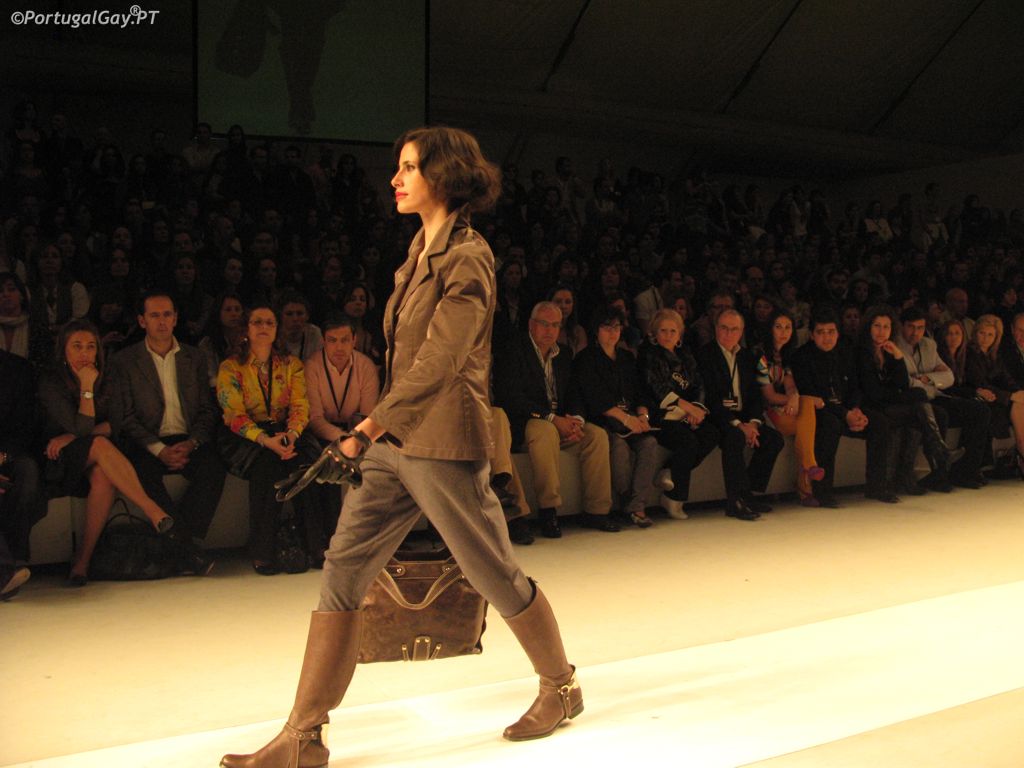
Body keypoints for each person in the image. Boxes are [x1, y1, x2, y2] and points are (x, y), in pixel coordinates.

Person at [221, 127, 583, 768]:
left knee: (491, 570)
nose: (395, 178)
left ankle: (560, 686)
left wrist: (366, 428)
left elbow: (443, 360)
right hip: (395, 440)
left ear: (443, 177)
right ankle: (304, 734)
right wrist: (377, 431)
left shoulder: (468, 256)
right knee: (343, 567)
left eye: (409, 167)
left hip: (441, 441)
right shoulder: (419, 251)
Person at [38, 319, 174, 586]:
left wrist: (73, 435)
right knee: (99, 445)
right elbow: (82, 426)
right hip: (55, 458)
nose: (84, 353)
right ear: (63, 349)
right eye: (77, 346)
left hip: (93, 453)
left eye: (90, 346)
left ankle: (82, 563)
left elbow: (116, 423)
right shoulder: (50, 381)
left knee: (102, 475)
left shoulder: (108, 375)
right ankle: (152, 510)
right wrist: (86, 388)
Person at [109, 292, 225, 575]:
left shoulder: (194, 357)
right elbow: (125, 417)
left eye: (167, 315)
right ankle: (188, 550)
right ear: (142, 321)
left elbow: (207, 410)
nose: (161, 321)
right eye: (154, 315)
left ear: (175, 319)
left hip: (188, 438)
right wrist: (159, 449)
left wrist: (192, 442)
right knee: (141, 472)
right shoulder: (125, 360)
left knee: (215, 467)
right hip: (147, 441)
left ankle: (178, 545)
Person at [494, 301, 617, 537]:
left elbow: (574, 392)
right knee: (544, 430)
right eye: (544, 324)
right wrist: (552, 418)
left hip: (559, 421)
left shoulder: (564, 354)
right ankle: (548, 509)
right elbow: (510, 397)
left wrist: (576, 420)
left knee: (596, 436)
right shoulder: (514, 350)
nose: (550, 330)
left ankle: (597, 510)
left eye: (555, 325)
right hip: (526, 423)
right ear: (531, 324)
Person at [216, 302, 315, 574]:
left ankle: (315, 545)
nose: (263, 327)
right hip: (247, 435)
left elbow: (300, 405)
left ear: (276, 329)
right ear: (246, 329)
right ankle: (263, 552)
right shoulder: (231, 367)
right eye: (257, 322)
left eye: (269, 322)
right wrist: (265, 440)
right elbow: (233, 414)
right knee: (267, 467)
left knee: (308, 464)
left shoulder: (291, 364)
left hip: (285, 431)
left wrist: (291, 435)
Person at [857, 306, 962, 497]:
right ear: (868, 327)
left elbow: (902, 383)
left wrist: (897, 357)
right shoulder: (861, 352)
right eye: (877, 326)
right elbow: (873, 392)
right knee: (918, 403)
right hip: (870, 404)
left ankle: (908, 476)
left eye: (886, 327)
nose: (881, 332)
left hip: (888, 401)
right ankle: (937, 453)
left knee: (925, 408)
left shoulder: (888, 350)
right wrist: (902, 393)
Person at [573, 304, 660, 527]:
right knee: (618, 447)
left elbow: (640, 392)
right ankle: (628, 503)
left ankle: (637, 505)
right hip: (605, 421)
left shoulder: (626, 358)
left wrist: (643, 416)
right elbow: (595, 399)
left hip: (630, 420)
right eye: (607, 327)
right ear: (596, 330)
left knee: (649, 443)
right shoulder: (586, 358)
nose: (612, 332)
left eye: (617, 327)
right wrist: (626, 419)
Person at [697, 309, 784, 520]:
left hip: (745, 416)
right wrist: (738, 424)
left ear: (741, 331)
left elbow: (755, 396)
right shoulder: (704, 355)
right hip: (717, 417)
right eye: (724, 328)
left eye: (734, 329)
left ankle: (749, 493)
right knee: (734, 437)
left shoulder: (747, 357)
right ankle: (734, 501)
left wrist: (753, 423)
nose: (728, 333)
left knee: (773, 439)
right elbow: (710, 398)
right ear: (716, 329)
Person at [303, 314, 380, 547]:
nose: (339, 347)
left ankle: (367, 537)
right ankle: (322, 540)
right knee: (324, 459)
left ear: (354, 340)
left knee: (376, 461)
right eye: (333, 340)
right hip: (324, 432)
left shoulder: (365, 366)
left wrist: (354, 439)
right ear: (324, 342)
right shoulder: (312, 366)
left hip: (357, 431)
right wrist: (344, 440)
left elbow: (367, 416)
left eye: (345, 340)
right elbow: (315, 419)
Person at [637, 308, 720, 519]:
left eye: (672, 331)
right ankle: (675, 498)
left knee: (711, 433)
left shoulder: (685, 355)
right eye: (663, 331)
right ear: (654, 333)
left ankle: (668, 470)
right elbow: (657, 388)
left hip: (685, 413)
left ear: (680, 333)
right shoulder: (648, 355)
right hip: (660, 416)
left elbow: (698, 384)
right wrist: (688, 408)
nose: (668, 335)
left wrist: (697, 408)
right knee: (688, 442)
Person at [896, 306, 990, 489]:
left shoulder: (929, 345)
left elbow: (949, 377)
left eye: (920, 327)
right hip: (913, 399)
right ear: (902, 326)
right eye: (911, 327)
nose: (915, 332)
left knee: (980, 410)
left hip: (935, 395)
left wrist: (926, 378)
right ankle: (939, 474)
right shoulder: (895, 346)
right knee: (941, 414)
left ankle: (965, 472)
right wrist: (931, 379)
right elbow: (905, 382)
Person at [755, 308, 826, 506]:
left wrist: (794, 396)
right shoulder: (760, 355)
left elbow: (790, 384)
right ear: (770, 329)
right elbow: (768, 395)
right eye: (778, 327)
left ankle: (806, 477)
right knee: (807, 408)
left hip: (782, 407)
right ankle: (806, 480)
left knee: (806, 413)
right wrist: (794, 399)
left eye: (788, 327)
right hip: (763, 410)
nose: (784, 332)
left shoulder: (786, 355)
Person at [0, 348, 41, 598]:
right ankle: (4, 575)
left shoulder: (15, 368)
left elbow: (25, 425)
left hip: (6, 453)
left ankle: (16, 560)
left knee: (27, 471)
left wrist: (3, 456)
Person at [964, 314, 1024, 477]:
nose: (985, 338)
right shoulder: (970, 353)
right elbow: (979, 383)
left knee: (1020, 401)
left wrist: (1019, 393)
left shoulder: (994, 354)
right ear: (975, 333)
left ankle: (1021, 452)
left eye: (990, 335)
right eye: (982, 333)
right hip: (978, 396)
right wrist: (1011, 396)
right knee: (1018, 403)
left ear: (996, 337)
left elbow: (1006, 378)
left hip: (996, 396)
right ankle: (1021, 451)